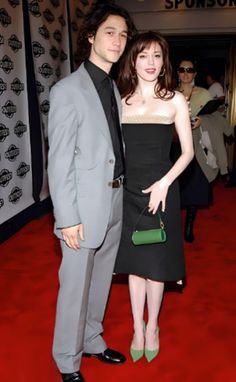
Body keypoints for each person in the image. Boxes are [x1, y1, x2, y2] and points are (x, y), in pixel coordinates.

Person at [47, 3, 136, 382]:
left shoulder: (112, 88)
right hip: (82, 208)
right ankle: (67, 360)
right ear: (90, 37)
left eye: (123, 34)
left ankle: (92, 339)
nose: (118, 41)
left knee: (100, 281)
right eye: (110, 32)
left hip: (113, 198)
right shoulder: (68, 90)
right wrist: (67, 217)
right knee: (74, 290)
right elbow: (59, 159)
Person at [114, 31, 194, 363]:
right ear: (133, 59)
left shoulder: (175, 99)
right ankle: (136, 326)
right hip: (129, 192)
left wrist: (164, 183)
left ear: (164, 62)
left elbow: (187, 153)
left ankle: (152, 328)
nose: (151, 62)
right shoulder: (120, 100)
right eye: (143, 55)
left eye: (157, 56)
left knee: (156, 265)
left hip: (163, 190)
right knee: (135, 265)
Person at [172, 57, 228, 242]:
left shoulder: (204, 93)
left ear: (195, 73)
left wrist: (202, 120)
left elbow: (217, 115)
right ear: (177, 73)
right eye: (182, 70)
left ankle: (189, 227)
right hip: (174, 146)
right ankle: (173, 224)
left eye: (189, 70)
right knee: (175, 188)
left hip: (196, 148)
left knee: (194, 188)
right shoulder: (170, 93)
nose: (185, 73)